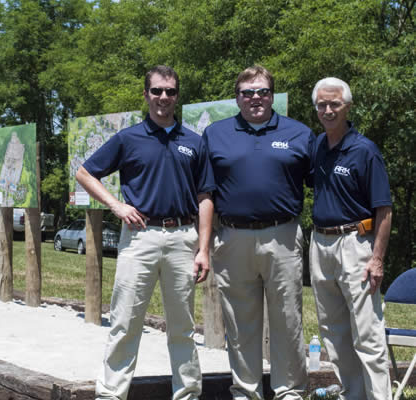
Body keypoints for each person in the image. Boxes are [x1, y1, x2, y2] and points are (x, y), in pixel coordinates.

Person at [76, 65, 216, 400]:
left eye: (169, 91)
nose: (163, 97)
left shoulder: (195, 142)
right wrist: (116, 205)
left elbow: (206, 196)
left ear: (177, 96)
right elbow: (84, 173)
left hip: (184, 238)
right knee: (125, 322)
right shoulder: (129, 138)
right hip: (139, 239)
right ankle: (110, 395)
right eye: (156, 91)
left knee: (182, 328)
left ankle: (188, 394)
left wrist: (204, 248)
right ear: (146, 95)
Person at [202, 65, 313, 399]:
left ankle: (289, 392)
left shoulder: (299, 133)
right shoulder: (216, 134)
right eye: (247, 92)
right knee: (240, 324)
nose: (255, 98)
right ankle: (246, 392)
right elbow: (204, 192)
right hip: (232, 237)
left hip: (283, 236)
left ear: (272, 95)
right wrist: (203, 245)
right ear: (237, 97)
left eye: (262, 91)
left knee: (287, 321)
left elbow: (324, 183)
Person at [310, 77, 392, 400]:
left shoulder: (365, 150)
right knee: (334, 334)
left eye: (335, 104)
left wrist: (377, 258)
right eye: (322, 105)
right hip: (321, 244)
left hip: (356, 244)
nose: (328, 110)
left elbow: (384, 209)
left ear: (347, 106)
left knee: (367, 335)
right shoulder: (316, 146)